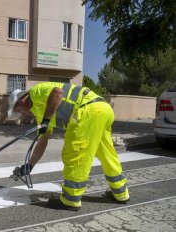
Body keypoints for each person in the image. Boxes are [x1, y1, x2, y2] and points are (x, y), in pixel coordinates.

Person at [7, 82, 129, 211]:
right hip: (102, 109)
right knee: (106, 154)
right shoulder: (39, 113)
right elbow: (43, 140)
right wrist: (30, 165)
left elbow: (57, 92)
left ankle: (71, 199)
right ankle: (121, 193)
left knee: (74, 154)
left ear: (20, 101)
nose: (22, 115)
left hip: (88, 111)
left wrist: (46, 120)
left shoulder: (35, 93)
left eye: (19, 112)